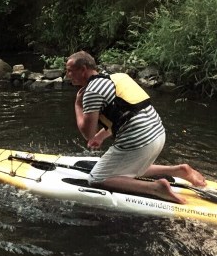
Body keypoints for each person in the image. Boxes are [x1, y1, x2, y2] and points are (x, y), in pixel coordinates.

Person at [65, 50, 206, 204]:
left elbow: (87, 133)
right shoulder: (119, 77)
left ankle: (156, 188)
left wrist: (77, 104)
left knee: (96, 178)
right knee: (128, 168)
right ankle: (179, 170)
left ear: (83, 69)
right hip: (158, 134)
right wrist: (101, 136)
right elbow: (127, 114)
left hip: (138, 142)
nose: (67, 75)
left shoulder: (91, 92)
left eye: (70, 71)